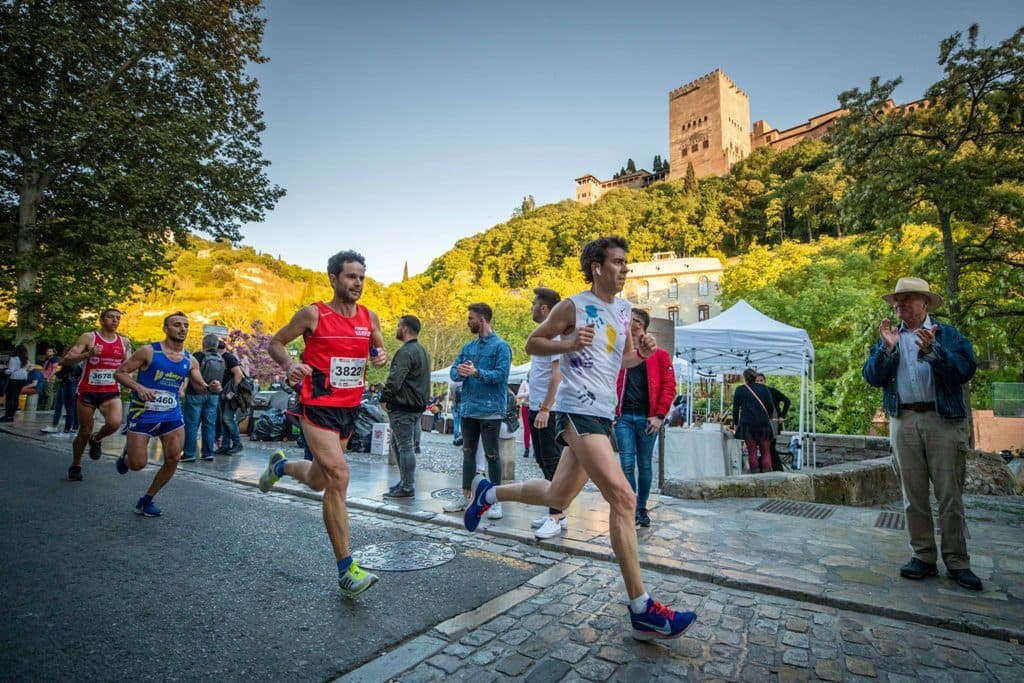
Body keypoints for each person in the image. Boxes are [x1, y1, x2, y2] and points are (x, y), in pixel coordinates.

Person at [461, 236, 696, 640]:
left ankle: (488, 494)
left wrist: (641, 352)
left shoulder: (623, 311)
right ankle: (642, 608)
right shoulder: (572, 305)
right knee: (623, 497)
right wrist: (568, 342)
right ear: (596, 268)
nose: (625, 269)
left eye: (627, 263)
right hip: (576, 409)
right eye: (618, 262)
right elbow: (533, 342)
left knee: (557, 496)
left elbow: (614, 360)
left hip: (603, 415)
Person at [258, 249, 388, 597]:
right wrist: (289, 366)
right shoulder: (313, 314)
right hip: (316, 407)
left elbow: (378, 353)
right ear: (333, 279)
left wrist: (379, 355)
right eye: (350, 276)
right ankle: (347, 569)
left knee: (319, 480)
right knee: (339, 477)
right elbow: (276, 343)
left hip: (349, 409)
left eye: (361, 276)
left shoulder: (369, 317)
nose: (357, 282)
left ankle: (282, 467)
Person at [862, 276, 981, 591]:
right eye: (897, 301)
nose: (900, 305)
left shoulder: (948, 335)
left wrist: (935, 351)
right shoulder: (890, 337)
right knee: (912, 496)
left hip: (943, 421)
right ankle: (923, 557)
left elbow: (964, 370)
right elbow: (872, 377)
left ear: (925, 303)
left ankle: (957, 561)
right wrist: (886, 351)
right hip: (904, 420)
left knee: (949, 495)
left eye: (908, 299)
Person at [113, 313, 221, 516]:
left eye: (186, 325)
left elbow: (200, 386)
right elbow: (120, 373)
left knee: (172, 459)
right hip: (143, 413)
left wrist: (211, 387)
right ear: (165, 329)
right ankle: (127, 458)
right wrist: (139, 387)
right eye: (177, 325)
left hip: (171, 414)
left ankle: (147, 499)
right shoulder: (149, 352)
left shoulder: (190, 360)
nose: (182, 329)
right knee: (137, 464)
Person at [441, 303, 512, 519]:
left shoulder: (501, 347)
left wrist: (476, 372)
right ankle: (465, 495)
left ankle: (495, 500)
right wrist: (461, 372)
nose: (468, 322)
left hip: (491, 410)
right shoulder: (468, 347)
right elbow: (454, 371)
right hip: (469, 409)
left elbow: (501, 375)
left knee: (492, 455)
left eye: (470, 318)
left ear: (482, 319)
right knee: (467, 454)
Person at [615, 308, 675, 528]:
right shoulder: (622, 352)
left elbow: (669, 386)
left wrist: (659, 416)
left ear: (639, 324)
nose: (625, 324)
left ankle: (642, 507)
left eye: (629, 320)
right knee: (627, 464)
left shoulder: (660, 355)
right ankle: (631, 507)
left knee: (645, 465)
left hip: (647, 418)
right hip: (622, 417)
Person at [62, 309, 131, 481]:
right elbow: (67, 360)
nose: (115, 321)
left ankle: (97, 439)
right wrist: (88, 354)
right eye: (110, 317)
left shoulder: (124, 342)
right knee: (84, 432)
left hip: (111, 391)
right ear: (101, 320)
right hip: (87, 390)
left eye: (118, 318)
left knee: (115, 423)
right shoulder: (89, 337)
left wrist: (131, 383)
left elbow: (129, 366)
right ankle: (76, 464)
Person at [524, 287, 567, 540]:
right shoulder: (545, 335)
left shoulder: (557, 338)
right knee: (542, 460)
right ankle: (557, 509)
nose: (531, 307)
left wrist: (546, 408)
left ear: (543, 308)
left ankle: (555, 515)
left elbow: (557, 375)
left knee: (552, 461)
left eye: (533, 304)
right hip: (535, 406)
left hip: (547, 410)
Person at [381, 314, 431, 498]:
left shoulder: (406, 352)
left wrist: (385, 396)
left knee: (404, 446)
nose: (396, 328)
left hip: (403, 405)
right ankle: (404, 482)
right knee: (399, 444)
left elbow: (395, 379)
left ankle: (408, 486)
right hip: (415, 405)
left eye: (398, 325)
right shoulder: (422, 350)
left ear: (405, 328)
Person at [182, 334, 225, 462]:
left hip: (195, 394)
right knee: (209, 425)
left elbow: (189, 373)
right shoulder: (220, 358)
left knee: (191, 424)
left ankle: (189, 454)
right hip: (213, 396)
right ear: (217, 345)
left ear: (203, 344)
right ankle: (208, 453)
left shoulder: (198, 356)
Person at [731, 368, 777, 473]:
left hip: (747, 425)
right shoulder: (764, 389)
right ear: (755, 377)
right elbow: (771, 407)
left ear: (744, 378)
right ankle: (767, 478)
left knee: (752, 452)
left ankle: (755, 477)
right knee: (766, 452)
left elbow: (735, 409)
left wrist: (736, 423)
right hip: (763, 424)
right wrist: (768, 416)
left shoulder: (740, 389)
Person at [214, 340, 245, 456]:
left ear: (218, 348)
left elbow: (239, 375)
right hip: (223, 393)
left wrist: (232, 393)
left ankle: (237, 444)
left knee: (227, 418)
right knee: (223, 420)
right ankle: (225, 445)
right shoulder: (222, 357)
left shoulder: (228, 357)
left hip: (229, 394)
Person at [755, 372, 790, 472]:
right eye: (757, 381)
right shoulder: (754, 394)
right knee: (767, 448)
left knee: (770, 448)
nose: (759, 382)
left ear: (765, 381)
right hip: (761, 425)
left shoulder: (772, 391)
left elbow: (787, 401)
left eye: (761, 380)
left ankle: (777, 470)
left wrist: (782, 416)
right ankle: (767, 468)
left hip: (772, 424)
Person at [41, 358, 82, 435]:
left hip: (70, 385)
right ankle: (64, 427)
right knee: (64, 406)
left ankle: (68, 429)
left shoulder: (74, 363)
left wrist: (58, 371)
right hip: (66, 384)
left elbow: (69, 374)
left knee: (69, 408)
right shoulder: (71, 362)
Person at [1, 345, 30, 421]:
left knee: (10, 398)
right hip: (23, 379)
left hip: (14, 379)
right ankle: (12, 416)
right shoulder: (26, 359)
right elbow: (27, 368)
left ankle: (7, 416)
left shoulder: (13, 359)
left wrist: (3, 370)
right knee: (16, 397)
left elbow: (11, 370)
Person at [516, 379, 531, 458]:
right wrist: (528, 393)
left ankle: (537, 449)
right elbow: (519, 395)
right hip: (526, 406)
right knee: (527, 429)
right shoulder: (525, 383)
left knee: (537, 428)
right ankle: (527, 448)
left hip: (537, 407)